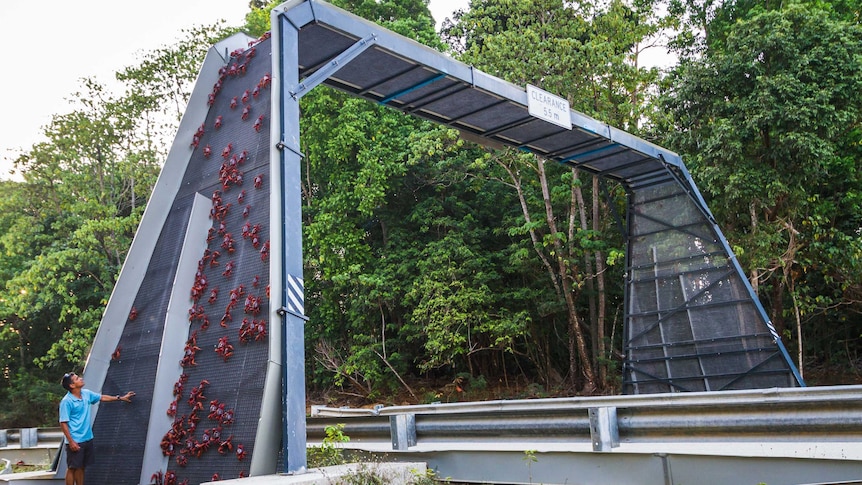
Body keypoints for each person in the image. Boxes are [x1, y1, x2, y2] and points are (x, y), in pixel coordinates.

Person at [59, 372, 135, 485]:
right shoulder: (66, 401)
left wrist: (120, 398)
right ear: (72, 385)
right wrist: (71, 442)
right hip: (75, 440)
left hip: (87, 438)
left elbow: (102, 397)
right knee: (72, 467)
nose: (80, 378)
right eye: (77, 379)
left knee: (81, 467)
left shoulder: (86, 394)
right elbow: (63, 423)